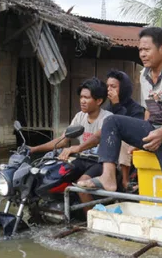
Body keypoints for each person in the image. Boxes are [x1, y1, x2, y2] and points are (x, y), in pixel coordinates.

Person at [77, 27, 162, 231]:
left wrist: (159, 133)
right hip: (157, 126)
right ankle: (108, 177)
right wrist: (140, 138)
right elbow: (149, 112)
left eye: (147, 49)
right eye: (140, 50)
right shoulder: (144, 75)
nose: (142, 54)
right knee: (112, 121)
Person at [28, 78, 112, 207]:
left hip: (99, 161)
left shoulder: (107, 118)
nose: (82, 101)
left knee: (82, 184)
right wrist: (33, 149)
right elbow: (62, 140)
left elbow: (96, 138)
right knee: (49, 176)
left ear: (99, 101)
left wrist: (76, 148)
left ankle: (89, 220)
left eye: (87, 98)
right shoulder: (80, 116)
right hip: (81, 159)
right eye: (81, 97)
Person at [105, 69, 145, 192]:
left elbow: (133, 130)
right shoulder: (107, 108)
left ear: (123, 88)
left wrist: (117, 105)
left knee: (122, 138)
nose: (109, 90)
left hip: (130, 148)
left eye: (113, 86)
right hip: (111, 149)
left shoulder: (136, 109)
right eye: (108, 86)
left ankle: (125, 179)